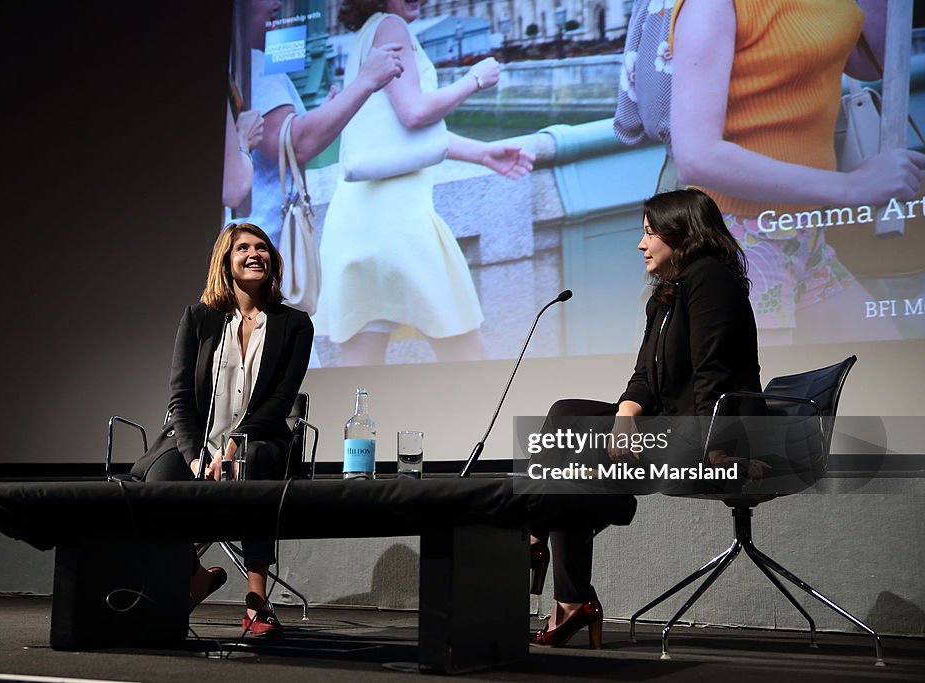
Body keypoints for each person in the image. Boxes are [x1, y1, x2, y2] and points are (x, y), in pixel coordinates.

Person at [530, 189, 763, 648]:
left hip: (709, 433)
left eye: (650, 232)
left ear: (682, 233)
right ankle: (562, 560)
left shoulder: (710, 278)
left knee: (569, 471)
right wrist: (626, 416)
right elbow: (643, 377)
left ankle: (554, 557)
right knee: (565, 419)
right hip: (669, 424)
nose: (642, 243)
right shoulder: (665, 297)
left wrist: (718, 450)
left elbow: (712, 373)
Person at [669, 0, 925, 343]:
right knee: (760, 389)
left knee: (881, 364)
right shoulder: (711, 6)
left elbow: (873, 62)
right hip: (739, 237)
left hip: (802, 233)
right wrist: (851, 187)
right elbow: (697, 157)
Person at [317, 0, 535, 366]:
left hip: (355, 224)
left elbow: (395, 137)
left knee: (360, 377)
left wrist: (482, 153)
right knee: (466, 357)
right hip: (400, 226)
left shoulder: (366, 34)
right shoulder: (391, 27)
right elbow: (414, 112)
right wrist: (474, 80)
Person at [130, 222, 313, 636]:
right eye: (243, 248)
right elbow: (179, 397)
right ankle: (193, 575)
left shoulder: (294, 325)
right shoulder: (198, 318)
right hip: (193, 442)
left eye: (262, 247)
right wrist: (196, 457)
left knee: (260, 464)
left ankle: (256, 600)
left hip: (257, 441)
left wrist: (232, 448)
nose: (255, 254)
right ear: (225, 263)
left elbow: (279, 402)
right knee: (159, 484)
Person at [240, 0, 405, 241]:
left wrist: (319, 114)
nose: (278, 3)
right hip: (259, 243)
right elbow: (295, 144)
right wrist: (366, 80)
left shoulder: (240, 63)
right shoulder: (251, 63)